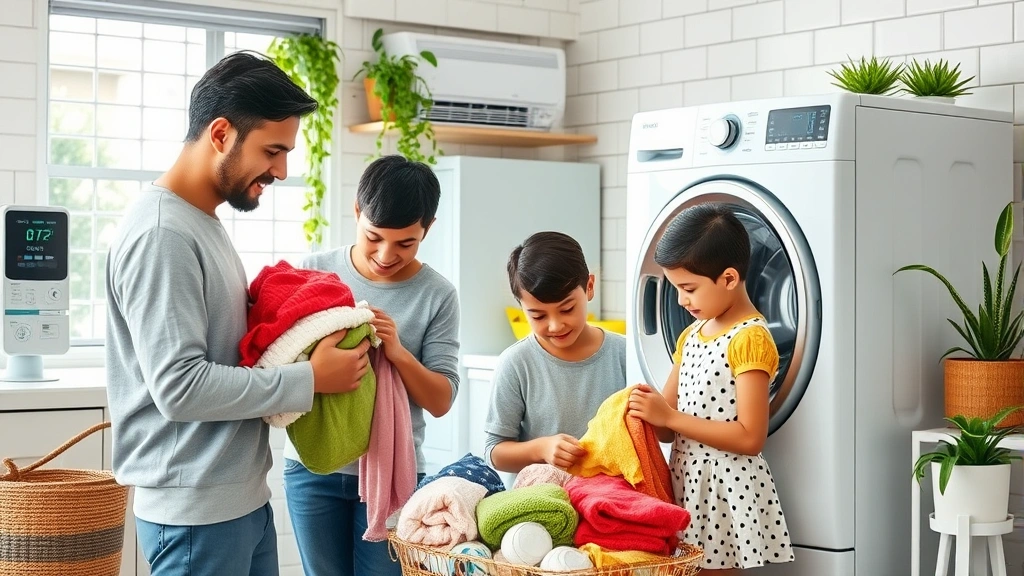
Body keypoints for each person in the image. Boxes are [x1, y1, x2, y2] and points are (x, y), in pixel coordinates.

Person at [105, 52, 369, 576]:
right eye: (273, 150)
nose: (282, 170)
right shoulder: (163, 235)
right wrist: (309, 379)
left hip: (236, 499)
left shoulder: (202, 222)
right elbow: (180, 388)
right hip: (195, 514)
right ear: (221, 133)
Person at [284, 154, 461, 576]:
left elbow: (441, 400)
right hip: (313, 467)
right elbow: (275, 360)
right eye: (373, 236)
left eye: (406, 243)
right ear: (357, 211)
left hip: (395, 471)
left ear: (428, 229)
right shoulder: (312, 271)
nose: (385, 255)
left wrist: (397, 351)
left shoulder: (437, 294)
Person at [627, 203, 794, 573]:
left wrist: (668, 415)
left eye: (689, 289)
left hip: (724, 489)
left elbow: (751, 437)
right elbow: (668, 429)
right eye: (676, 289)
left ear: (730, 279)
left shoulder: (750, 339)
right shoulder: (690, 336)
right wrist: (641, 410)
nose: (682, 300)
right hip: (687, 483)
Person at [484, 231, 627, 474]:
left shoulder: (624, 354)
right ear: (521, 306)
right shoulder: (516, 363)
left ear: (589, 287)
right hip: (541, 502)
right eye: (538, 315)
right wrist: (541, 449)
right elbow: (494, 452)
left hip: (610, 499)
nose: (555, 325)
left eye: (567, 309)